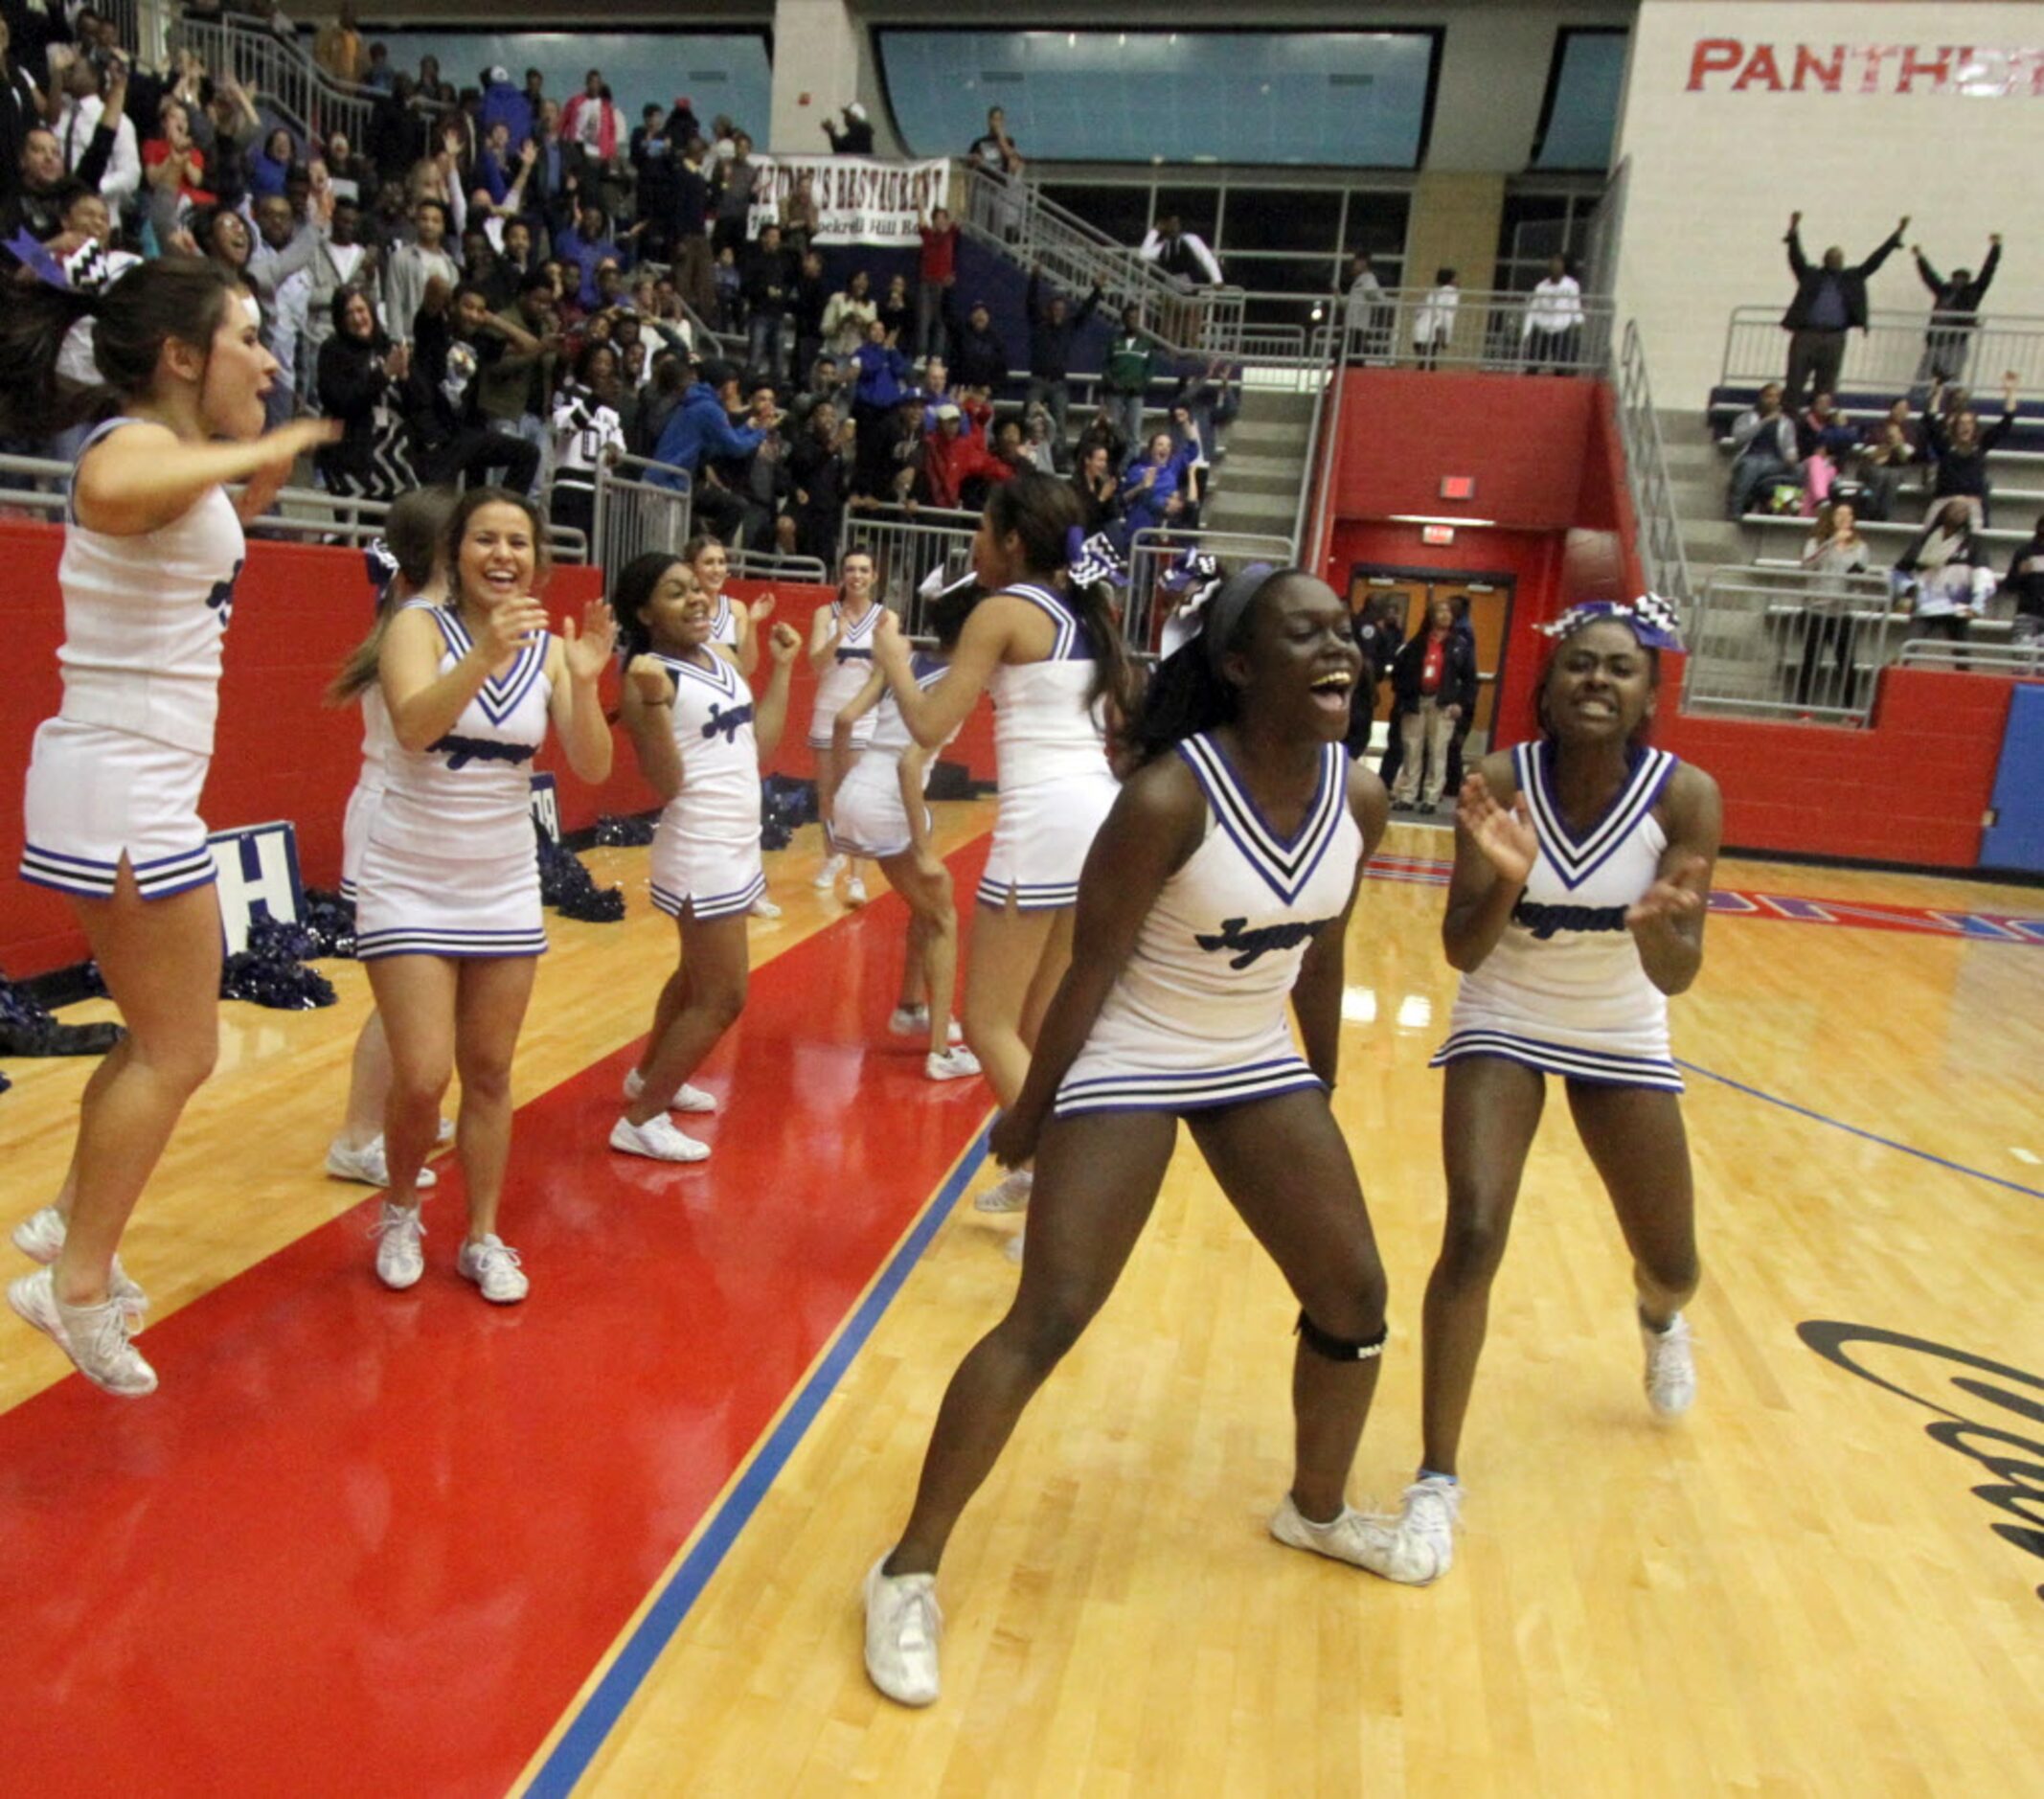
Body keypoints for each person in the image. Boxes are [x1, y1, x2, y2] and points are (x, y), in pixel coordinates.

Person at [862, 564, 1394, 1706]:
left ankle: (1317, 1509)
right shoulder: (1164, 799)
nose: (1338, 649)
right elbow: (1090, 973)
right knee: (1048, 1315)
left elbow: (1325, 950)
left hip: (1252, 1056)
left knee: (1353, 1298)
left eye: (1343, 631)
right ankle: (905, 1571)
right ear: (1242, 666)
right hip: (1133, 1052)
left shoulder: (1360, 797)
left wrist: (1322, 1090)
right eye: (1305, 636)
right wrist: (1030, 1114)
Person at [6, 260, 336, 1395]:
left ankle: (64, 1223)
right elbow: (107, 494)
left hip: (121, 781)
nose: (270, 357)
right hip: (123, 785)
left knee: (153, 1036)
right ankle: (79, 1285)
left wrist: (247, 480)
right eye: (249, 337)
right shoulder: (126, 444)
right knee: (181, 1047)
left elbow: (166, 535)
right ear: (184, 359)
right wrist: (251, 454)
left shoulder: (177, 468)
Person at [1365, 597, 1720, 1585]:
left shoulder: (1685, 796)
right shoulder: (1495, 781)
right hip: (1505, 1013)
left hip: (1620, 1027)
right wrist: (1509, 882)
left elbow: (1678, 976)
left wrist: (1658, 928)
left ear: (1649, 692)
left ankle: (1657, 1319)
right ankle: (1436, 1481)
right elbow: (1457, 948)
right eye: (1578, 666)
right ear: (1547, 686)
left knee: (1674, 1259)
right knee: (1474, 1229)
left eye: (1618, 668)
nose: (1596, 680)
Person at [352, 489, 615, 1303]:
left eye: (519, 543)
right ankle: (400, 1209)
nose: (504, 555)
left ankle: (482, 1236)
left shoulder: (550, 649)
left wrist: (585, 681)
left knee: (492, 1071)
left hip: (501, 880)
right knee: (425, 1075)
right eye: (486, 540)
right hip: (408, 876)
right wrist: (485, 654)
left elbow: (595, 766)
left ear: (539, 559)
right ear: (454, 552)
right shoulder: (416, 628)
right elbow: (414, 726)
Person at [870, 472, 1138, 1218]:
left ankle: (1065, 1191)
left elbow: (928, 725)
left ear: (1015, 540)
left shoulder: (1004, 609)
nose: (974, 544)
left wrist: (890, 653)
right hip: (1097, 821)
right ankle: (1044, 1165)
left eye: (983, 531)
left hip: (1045, 824)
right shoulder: (1089, 611)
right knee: (1037, 1029)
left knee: (986, 1024)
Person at [609, 555, 802, 1162]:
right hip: (701, 845)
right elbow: (665, 782)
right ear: (645, 613)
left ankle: (648, 1077)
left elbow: (759, 745)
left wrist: (785, 670)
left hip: (736, 842)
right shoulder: (646, 678)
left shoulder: (719, 658)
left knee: (694, 977)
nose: (695, 599)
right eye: (675, 592)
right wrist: (657, 706)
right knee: (723, 997)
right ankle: (641, 1119)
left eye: (696, 587)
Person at [324, 490, 461, 1189]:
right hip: (393, 818)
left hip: (426, 819)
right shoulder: (414, 625)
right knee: (401, 998)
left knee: (433, 990)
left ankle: (405, 1106)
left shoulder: (424, 619)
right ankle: (357, 1136)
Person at [829, 574, 987, 1082]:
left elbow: (844, 719)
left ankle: (911, 1007)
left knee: (923, 907)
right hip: (893, 796)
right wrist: (922, 850)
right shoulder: (958, 684)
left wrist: (834, 801)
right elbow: (908, 766)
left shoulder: (905, 662)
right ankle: (942, 1052)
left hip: (857, 790)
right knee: (942, 916)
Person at [808, 546, 885, 905]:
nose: (856, 576)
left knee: (857, 798)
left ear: (874, 576)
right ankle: (832, 856)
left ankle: (857, 877)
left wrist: (857, 710)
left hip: (864, 716)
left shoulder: (886, 619)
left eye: (863, 570)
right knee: (828, 796)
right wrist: (836, 637)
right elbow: (814, 664)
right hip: (826, 713)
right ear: (842, 575)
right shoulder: (825, 614)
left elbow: (886, 673)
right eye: (851, 569)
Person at [1780, 211, 1908, 407]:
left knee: (1825, 387)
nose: (1834, 260)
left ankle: (1816, 428)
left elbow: (1874, 261)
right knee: (1795, 382)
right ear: (1825, 259)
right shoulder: (1812, 275)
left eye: (1838, 257)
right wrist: (1794, 231)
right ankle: (1788, 422)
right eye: (1831, 257)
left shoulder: (1851, 278)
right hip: (1807, 334)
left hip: (1835, 336)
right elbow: (1796, 258)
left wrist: (1896, 236)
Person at [1388, 597, 1479, 813]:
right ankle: (1407, 795)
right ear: (1431, 616)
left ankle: (1431, 797)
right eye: (1440, 611)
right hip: (1416, 702)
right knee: (1412, 748)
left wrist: (1461, 703)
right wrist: (1404, 694)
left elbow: (1470, 679)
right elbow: (1398, 672)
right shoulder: (1416, 644)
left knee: (1438, 751)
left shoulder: (1460, 645)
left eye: (1449, 612)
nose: (1445, 616)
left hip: (1443, 704)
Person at [1795, 501, 1872, 709]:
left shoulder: (1860, 547)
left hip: (1842, 611)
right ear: (1831, 517)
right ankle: (1803, 708)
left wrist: (1859, 580)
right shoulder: (1815, 541)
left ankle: (1850, 710)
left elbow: (1860, 576)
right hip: (1815, 610)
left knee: (1847, 663)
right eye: (1840, 515)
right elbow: (1807, 564)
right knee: (1811, 661)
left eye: (1849, 515)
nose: (1845, 519)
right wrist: (1829, 544)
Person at [1895, 500, 1993, 654]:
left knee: (1963, 655)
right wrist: (1908, 591)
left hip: (1958, 606)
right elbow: (1899, 570)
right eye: (1954, 510)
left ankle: (1965, 677)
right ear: (1943, 513)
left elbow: (1982, 573)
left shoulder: (1974, 543)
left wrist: (1977, 603)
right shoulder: (1925, 540)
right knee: (1907, 648)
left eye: (1962, 511)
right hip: (1925, 604)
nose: (1957, 514)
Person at [1921, 372, 2019, 527]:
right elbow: (1930, 420)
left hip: (1972, 501)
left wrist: (2010, 392)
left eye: (1969, 423)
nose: (1965, 427)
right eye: (1961, 423)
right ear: (1954, 427)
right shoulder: (1944, 445)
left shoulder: (1981, 445)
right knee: (1926, 534)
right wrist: (1938, 392)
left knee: (1975, 536)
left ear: (1975, 427)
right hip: (1945, 500)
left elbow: (2006, 422)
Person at [1913, 234, 2001, 392]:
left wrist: (1996, 248)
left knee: (1950, 383)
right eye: (1956, 278)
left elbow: (1988, 271)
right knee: (1923, 381)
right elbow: (1929, 276)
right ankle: (1919, 406)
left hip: (1955, 343)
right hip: (1935, 342)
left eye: (1961, 279)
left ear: (1967, 281)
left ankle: (1947, 409)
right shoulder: (1944, 290)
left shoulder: (1972, 292)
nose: (1958, 282)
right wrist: (1920, 258)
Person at [1726, 381, 1800, 518]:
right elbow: (1739, 439)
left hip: (1776, 461)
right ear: (1761, 398)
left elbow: (1790, 445)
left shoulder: (1786, 422)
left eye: (1776, 397)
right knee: (1752, 465)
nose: (1772, 400)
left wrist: (1792, 455)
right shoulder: (1746, 418)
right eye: (1769, 396)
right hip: (1750, 457)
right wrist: (1765, 421)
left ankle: (1782, 509)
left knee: (1799, 469)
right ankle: (1736, 509)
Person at [1521, 256, 1583, 374]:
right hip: (1543, 328)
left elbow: (1575, 306)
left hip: (1561, 328)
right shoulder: (1541, 287)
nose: (1555, 270)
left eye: (1558, 267)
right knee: (1533, 364)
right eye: (1553, 267)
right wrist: (1526, 332)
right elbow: (1533, 310)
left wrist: (1579, 323)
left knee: (1562, 366)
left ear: (1563, 269)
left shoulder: (1571, 286)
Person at [2003, 516, 2044, 647]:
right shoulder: (2025, 552)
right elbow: (2009, 586)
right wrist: (2020, 574)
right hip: (2027, 613)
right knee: (2022, 660)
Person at [1414, 268, 1459, 370]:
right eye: (1455, 277)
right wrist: (1445, 337)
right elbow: (1448, 313)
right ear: (1450, 279)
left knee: (1424, 359)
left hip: (1422, 327)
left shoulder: (1433, 292)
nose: (1457, 280)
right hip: (1435, 327)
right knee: (1429, 360)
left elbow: (1420, 310)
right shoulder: (1452, 292)